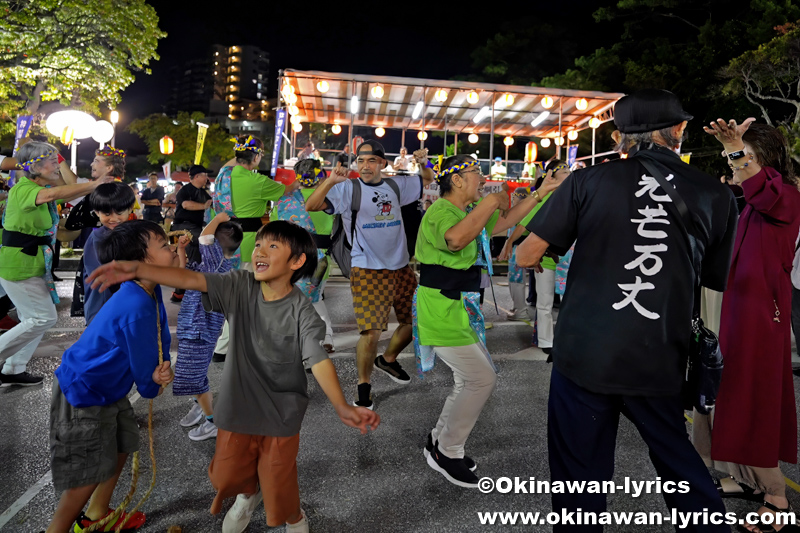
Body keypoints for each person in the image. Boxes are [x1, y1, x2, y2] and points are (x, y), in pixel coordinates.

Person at [515, 89, 738, 531]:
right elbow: (716, 279)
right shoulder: (715, 193)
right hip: (658, 354)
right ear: (678, 130)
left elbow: (526, 254)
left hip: (585, 353)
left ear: (619, 137)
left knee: (579, 474)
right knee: (677, 460)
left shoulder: (586, 181)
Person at [87, 220, 380, 533]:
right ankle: (248, 494)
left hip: (281, 412)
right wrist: (137, 269)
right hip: (235, 407)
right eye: (258, 244)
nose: (259, 251)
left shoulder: (302, 311)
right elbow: (191, 279)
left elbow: (318, 359)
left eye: (272, 246)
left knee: (278, 478)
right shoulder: (240, 284)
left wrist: (341, 406)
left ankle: (294, 517)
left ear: (296, 262)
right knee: (225, 475)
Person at [414, 154, 557, 488]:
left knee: (469, 379)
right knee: (480, 379)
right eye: (476, 172)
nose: (482, 178)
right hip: (441, 308)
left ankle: (438, 440)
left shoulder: (466, 212)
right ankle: (448, 451)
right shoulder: (441, 211)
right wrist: (492, 200)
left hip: (458, 307)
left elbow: (506, 221)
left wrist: (541, 192)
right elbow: (456, 240)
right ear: (457, 179)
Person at [700, 119, 800, 532]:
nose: (739, 168)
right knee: (728, 391)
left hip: (761, 313)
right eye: (735, 162)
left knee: (753, 397)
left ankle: (776, 495)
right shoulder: (754, 200)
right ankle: (742, 477)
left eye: (747, 160)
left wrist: (735, 149)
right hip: (739, 307)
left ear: (766, 160)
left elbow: (761, 189)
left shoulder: (785, 195)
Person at [43, 220, 175, 533]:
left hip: (107, 389)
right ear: (140, 261)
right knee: (88, 471)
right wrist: (156, 381)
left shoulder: (148, 288)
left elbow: (159, 336)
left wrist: (164, 363)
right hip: (84, 391)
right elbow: (147, 382)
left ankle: (97, 514)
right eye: (165, 246)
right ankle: (56, 529)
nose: (172, 249)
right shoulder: (136, 304)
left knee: (121, 444)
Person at [305, 140, 435, 409]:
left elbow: (426, 179)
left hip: (401, 267)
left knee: (417, 321)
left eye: (371, 160)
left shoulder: (396, 185)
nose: (365, 166)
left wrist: (423, 162)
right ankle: (363, 386)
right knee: (371, 332)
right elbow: (312, 205)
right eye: (361, 161)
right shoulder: (347, 189)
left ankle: (387, 360)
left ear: (382, 163)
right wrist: (330, 182)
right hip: (366, 268)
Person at [0, 142, 113, 386]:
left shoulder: (40, 187)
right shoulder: (24, 189)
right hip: (19, 263)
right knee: (42, 318)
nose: (57, 166)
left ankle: (14, 368)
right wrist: (94, 184)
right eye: (53, 162)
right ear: (36, 167)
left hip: (32, 262)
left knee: (33, 318)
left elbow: (65, 192)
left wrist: (93, 186)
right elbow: (54, 195)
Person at [212, 135, 299, 361]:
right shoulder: (258, 181)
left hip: (225, 242)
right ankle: (231, 346)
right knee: (249, 297)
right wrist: (303, 179)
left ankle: (224, 346)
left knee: (235, 294)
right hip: (249, 244)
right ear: (257, 156)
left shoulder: (223, 175)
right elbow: (288, 191)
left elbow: (230, 164)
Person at [174, 212, 242, 442]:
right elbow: (182, 274)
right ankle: (200, 406)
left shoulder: (218, 263)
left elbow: (204, 237)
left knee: (192, 375)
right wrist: (181, 250)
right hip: (193, 326)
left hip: (200, 329)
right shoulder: (210, 265)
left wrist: (219, 218)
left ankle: (213, 422)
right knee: (194, 373)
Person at [271, 158, 336, 352]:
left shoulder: (285, 200)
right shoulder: (330, 198)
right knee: (313, 297)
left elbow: (274, 229)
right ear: (320, 175)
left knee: (298, 298)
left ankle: (308, 338)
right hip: (320, 258)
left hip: (289, 257)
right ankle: (324, 337)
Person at [515, 160, 573, 349]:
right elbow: (525, 222)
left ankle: (567, 340)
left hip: (570, 261)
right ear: (551, 176)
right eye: (564, 171)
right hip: (546, 259)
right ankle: (546, 341)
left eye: (569, 170)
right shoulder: (544, 199)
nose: (569, 173)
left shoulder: (576, 196)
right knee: (544, 302)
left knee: (569, 303)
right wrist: (509, 242)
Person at [82, 181, 137, 324]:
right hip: (103, 306)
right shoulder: (97, 238)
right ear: (97, 212)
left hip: (127, 304)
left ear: (130, 208)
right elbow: (100, 275)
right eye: (107, 214)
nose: (113, 219)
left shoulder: (133, 233)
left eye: (119, 212)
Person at [171, 164, 213, 292]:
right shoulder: (185, 190)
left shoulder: (203, 193)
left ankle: (182, 291)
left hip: (195, 228)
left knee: (195, 257)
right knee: (205, 243)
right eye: (204, 176)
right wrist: (204, 206)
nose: (206, 178)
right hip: (183, 226)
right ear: (197, 177)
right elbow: (186, 205)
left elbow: (212, 204)